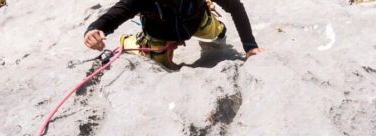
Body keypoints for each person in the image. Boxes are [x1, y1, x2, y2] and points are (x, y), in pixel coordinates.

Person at [84, 0, 264, 68]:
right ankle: (132, 42)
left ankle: (214, 25)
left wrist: (250, 47)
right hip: (159, 35)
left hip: (197, 22)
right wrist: (95, 28)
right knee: (157, 63)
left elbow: (235, 6)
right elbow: (119, 12)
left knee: (217, 33)